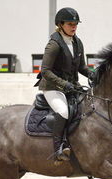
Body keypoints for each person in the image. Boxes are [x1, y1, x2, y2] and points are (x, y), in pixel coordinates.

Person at [36, 7, 94, 165]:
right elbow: (45, 71)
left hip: (71, 87)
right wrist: (64, 84)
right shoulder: (54, 44)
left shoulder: (77, 42)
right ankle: (58, 149)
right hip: (52, 88)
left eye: (76, 23)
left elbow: (82, 67)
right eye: (70, 23)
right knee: (63, 111)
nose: (74, 26)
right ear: (60, 24)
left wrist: (93, 74)